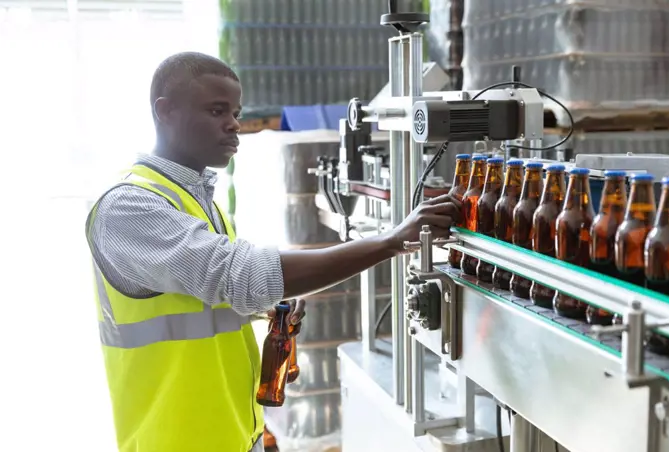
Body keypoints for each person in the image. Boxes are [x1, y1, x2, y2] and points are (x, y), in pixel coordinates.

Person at [85, 51, 461, 452]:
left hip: (230, 435)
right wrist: (390, 241)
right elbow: (242, 275)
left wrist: (261, 309)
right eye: (217, 111)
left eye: (235, 111)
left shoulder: (198, 201)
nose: (234, 124)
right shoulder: (130, 207)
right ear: (166, 111)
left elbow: (203, 298)